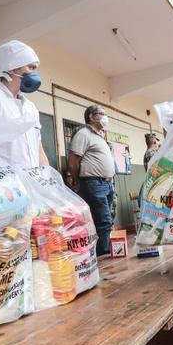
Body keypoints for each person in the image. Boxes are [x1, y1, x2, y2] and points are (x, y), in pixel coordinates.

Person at [0, 40, 49, 169]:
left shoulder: (31, 107)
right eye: (31, 67)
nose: (35, 74)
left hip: (31, 183)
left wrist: (47, 179)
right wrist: (2, 186)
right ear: (12, 68)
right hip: (3, 185)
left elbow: (39, 150)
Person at [68, 105, 115, 256]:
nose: (105, 116)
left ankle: (99, 250)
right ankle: (103, 252)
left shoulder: (100, 136)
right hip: (94, 183)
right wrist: (78, 181)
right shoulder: (83, 134)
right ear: (91, 116)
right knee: (104, 220)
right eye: (101, 113)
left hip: (106, 183)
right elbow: (73, 160)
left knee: (104, 219)